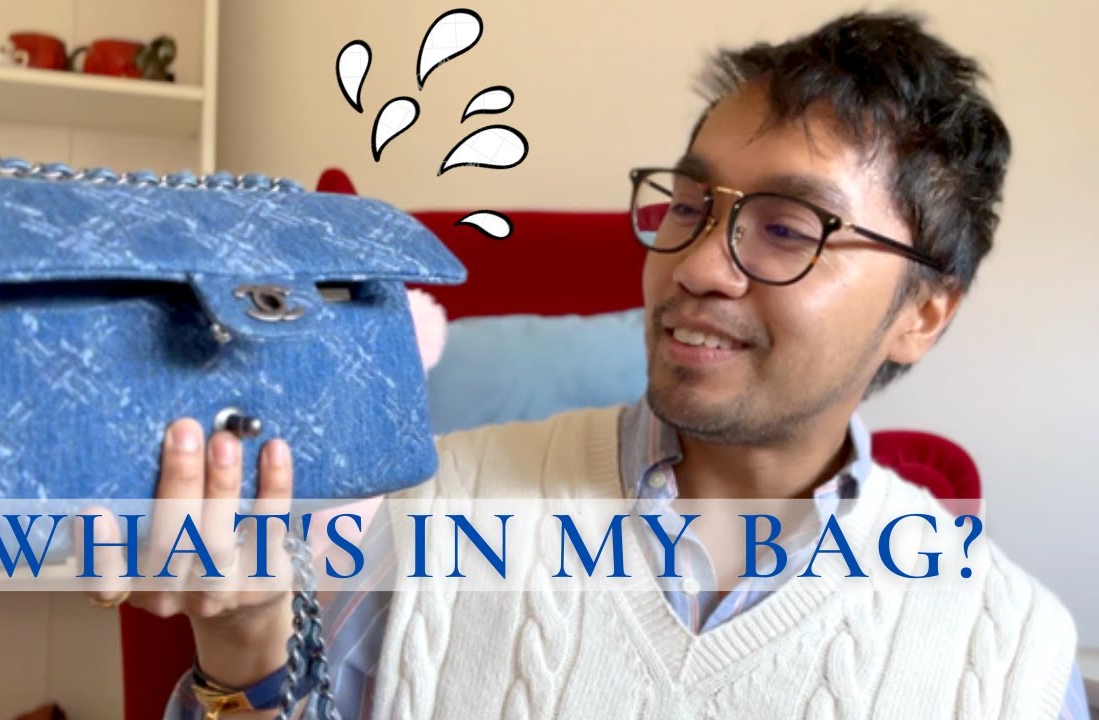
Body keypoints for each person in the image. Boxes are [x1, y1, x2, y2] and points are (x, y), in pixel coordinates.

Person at [86, 11, 1088, 719]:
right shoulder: (429, 509)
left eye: (787, 228)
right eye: (687, 206)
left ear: (921, 313)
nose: (696, 264)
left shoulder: (1008, 655)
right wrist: (245, 644)